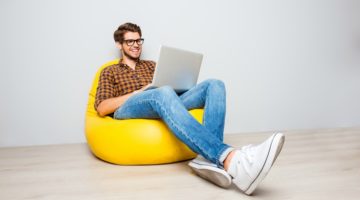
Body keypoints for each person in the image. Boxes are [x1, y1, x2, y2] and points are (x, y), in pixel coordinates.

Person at [95, 22, 285, 195]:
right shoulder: (110, 71)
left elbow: (171, 90)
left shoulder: (152, 66)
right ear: (119, 45)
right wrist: (138, 93)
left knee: (214, 84)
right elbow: (102, 108)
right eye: (130, 41)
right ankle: (231, 159)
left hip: (165, 100)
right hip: (128, 109)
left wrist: (178, 86)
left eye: (139, 40)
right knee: (163, 92)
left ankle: (211, 161)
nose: (136, 45)